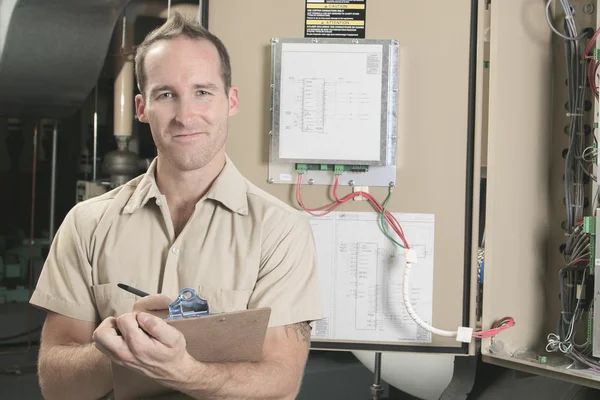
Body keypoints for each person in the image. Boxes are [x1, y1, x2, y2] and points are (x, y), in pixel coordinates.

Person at [30, 12, 322, 400]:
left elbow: (280, 381)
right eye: (166, 94)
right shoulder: (87, 223)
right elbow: (55, 384)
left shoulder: (280, 230)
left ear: (230, 100)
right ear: (140, 107)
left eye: (203, 92)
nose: (185, 116)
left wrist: (184, 370)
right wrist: (123, 347)